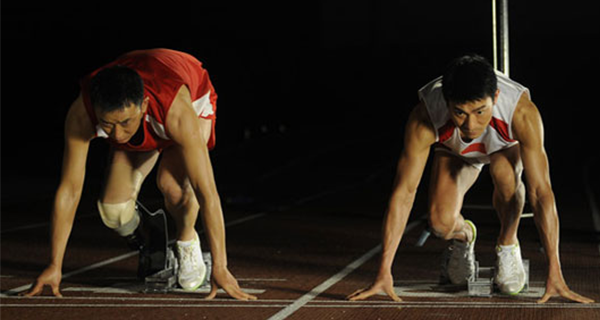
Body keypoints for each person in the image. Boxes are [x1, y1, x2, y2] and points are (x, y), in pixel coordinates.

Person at [347, 55, 594, 303]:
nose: (471, 124)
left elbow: (541, 193)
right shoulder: (426, 115)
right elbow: (404, 193)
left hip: (503, 148)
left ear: (495, 98)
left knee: (505, 175)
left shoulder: (522, 112)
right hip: (457, 153)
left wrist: (555, 271)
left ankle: (507, 244)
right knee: (439, 223)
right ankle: (465, 237)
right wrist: (383, 271)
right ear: (446, 102)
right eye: (460, 113)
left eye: (479, 111)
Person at [22, 48, 257, 301]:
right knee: (114, 212)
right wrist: (54, 265)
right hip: (150, 110)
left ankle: (186, 239)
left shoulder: (177, 110)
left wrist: (221, 267)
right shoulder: (81, 113)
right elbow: (69, 190)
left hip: (190, 94)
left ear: (143, 105)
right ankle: (152, 237)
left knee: (174, 187)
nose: (117, 135)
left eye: (124, 123)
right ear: (95, 109)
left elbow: (207, 192)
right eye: (107, 125)